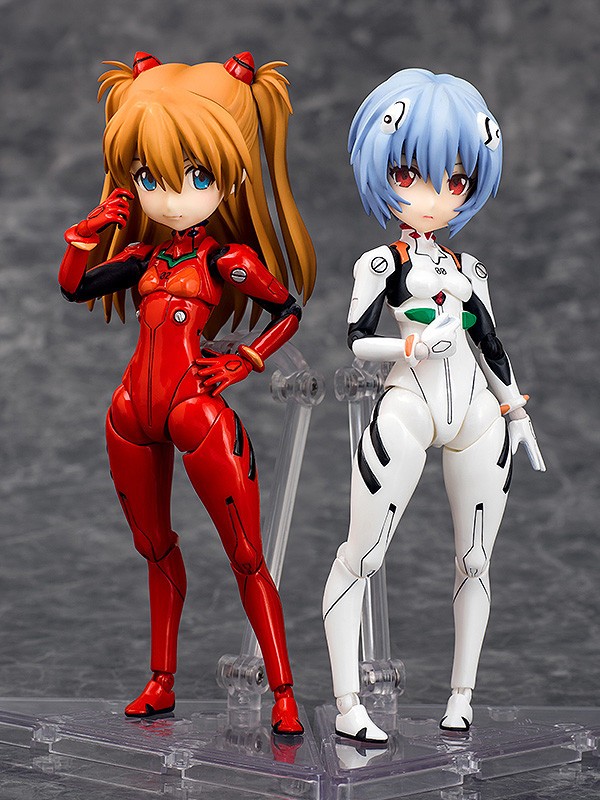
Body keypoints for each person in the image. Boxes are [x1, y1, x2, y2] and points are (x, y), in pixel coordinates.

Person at [58, 51, 316, 735]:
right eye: (150, 176)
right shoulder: (142, 257)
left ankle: (283, 692)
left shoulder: (225, 259)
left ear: (230, 174)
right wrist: (84, 235)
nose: (171, 196)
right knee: (154, 547)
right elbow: (74, 287)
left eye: (196, 175)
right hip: (131, 411)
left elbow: (287, 309)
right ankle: (161, 681)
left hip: (195, 411)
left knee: (246, 555)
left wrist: (246, 360)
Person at [322, 68, 544, 743]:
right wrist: (411, 346)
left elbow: (490, 342)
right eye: (409, 174)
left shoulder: (469, 270)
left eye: (456, 180)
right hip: (409, 402)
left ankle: (461, 697)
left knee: (475, 560)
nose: (433, 196)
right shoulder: (380, 264)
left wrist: (516, 411)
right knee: (362, 556)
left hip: (476, 412)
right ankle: (347, 704)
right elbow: (358, 340)